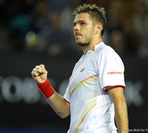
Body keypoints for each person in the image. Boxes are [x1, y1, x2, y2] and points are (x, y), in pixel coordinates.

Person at [31, 4, 128, 133]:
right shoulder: (79, 64)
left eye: (82, 24)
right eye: (75, 24)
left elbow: (119, 100)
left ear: (98, 28)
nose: (76, 28)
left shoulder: (106, 54)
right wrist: (43, 84)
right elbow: (64, 110)